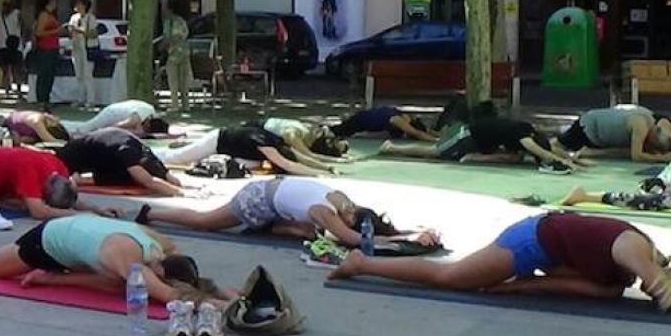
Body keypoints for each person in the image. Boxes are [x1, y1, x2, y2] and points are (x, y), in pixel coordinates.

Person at [329, 211, 671, 318]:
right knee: (452, 278)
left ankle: (362, 262)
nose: (655, 288)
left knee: (603, 291)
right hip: (531, 240)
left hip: (550, 256)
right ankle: (361, 263)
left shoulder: (620, 279)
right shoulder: (631, 252)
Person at [0, 216, 227, 308]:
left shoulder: (162, 245)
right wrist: (224, 308)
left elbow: (185, 285)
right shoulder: (130, 262)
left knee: (120, 283)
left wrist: (232, 293)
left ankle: (51, 279)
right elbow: (170, 296)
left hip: (83, 231)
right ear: (158, 271)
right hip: (48, 240)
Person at [137, 177, 439, 247]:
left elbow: (373, 227)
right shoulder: (327, 212)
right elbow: (350, 238)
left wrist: (410, 232)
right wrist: (395, 243)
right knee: (205, 222)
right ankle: (153, 214)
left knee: (309, 234)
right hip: (256, 199)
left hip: (273, 193)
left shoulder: (345, 202)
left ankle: (270, 226)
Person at [379, 116, 576, 174]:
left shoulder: (527, 132)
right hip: (467, 134)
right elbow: (541, 151)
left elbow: (549, 149)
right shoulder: (524, 136)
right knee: (436, 153)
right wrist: (561, 161)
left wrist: (573, 159)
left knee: (514, 158)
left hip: (483, 141)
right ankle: (392, 148)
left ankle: (474, 157)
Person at [58, 128, 188, 197]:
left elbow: (165, 174)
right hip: (72, 157)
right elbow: (148, 181)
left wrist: (177, 184)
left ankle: (82, 178)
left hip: (101, 154)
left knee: (132, 176)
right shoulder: (128, 153)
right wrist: (180, 193)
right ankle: (80, 179)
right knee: (134, 177)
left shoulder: (144, 152)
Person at [155, 125, 327, 176]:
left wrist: (326, 168)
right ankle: (154, 153)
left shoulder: (278, 142)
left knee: (247, 166)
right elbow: (288, 164)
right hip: (218, 140)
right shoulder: (267, 146)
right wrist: (317, 174)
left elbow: (301, 157)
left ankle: (213, 161)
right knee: (177, 158)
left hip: (237, 149)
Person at [552, 105, 671, 163]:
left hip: (598, 130)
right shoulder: (641, 126)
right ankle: (538, 145)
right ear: (653, 137)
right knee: (556, 146)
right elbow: (637, 157)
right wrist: (662, 159)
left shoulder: (650, 121)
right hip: (589, 127)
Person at [62, 100, 166, 137]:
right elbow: (120, 125)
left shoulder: (150, 111)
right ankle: (63, 125)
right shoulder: (137, 119)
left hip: (118, 110)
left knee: (88, 126)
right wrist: (104, 131)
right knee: (87, 128)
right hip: (112, 114)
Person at [330, 106, 438, 142]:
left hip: (364, 118)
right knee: (337, 132)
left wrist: (437, 135)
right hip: (360, 121)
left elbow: (423, 130)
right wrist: (435, 141)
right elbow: (416, 133)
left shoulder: (402, 115)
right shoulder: (398, 120)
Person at [31, 0, 62, 111]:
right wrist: (56, 31)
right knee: (44, 73)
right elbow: (39, 32)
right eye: (54, 2)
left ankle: (46, 98)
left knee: (50, 74)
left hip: (53, 47)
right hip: (45, 48)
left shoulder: (52, 15)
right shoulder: (43, 15)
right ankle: (41, 100)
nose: (56, 4)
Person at [162, 0, 192, 114]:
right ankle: (186, 105)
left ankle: (175, 104)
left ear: (170, 10)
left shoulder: (169, 22)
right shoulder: (182, 21)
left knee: (173, 80)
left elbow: (168, 38)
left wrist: (162, 47)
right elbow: (185, 35)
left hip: (174, 54)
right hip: (185, 52)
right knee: (184, 81)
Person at [68, 0, 98, 109]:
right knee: (78, 75)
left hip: (87, 49)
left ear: (84, 6)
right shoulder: (73, 18)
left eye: (79, 4)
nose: (77, 5)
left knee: (87, 75)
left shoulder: (91, 18)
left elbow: (94, 34)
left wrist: (79, 30)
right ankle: (80, 99)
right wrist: (71, 31)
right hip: (76, 49)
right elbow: (70, 33)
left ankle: (91, 100)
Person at [0, 1, 24, 97]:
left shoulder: (17, 14)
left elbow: (22, 26)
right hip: (2, 46)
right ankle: (7, 89)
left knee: (16, 69)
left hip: (16, 45)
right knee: (5, 70)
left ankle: (18, 89)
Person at [3, 109, 69, 144]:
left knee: (31, 139)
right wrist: (64, 143)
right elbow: (48, 139)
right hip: (12, 125)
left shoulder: (42, 119)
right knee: (17, 141)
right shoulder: (37, 121)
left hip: (21, 125)